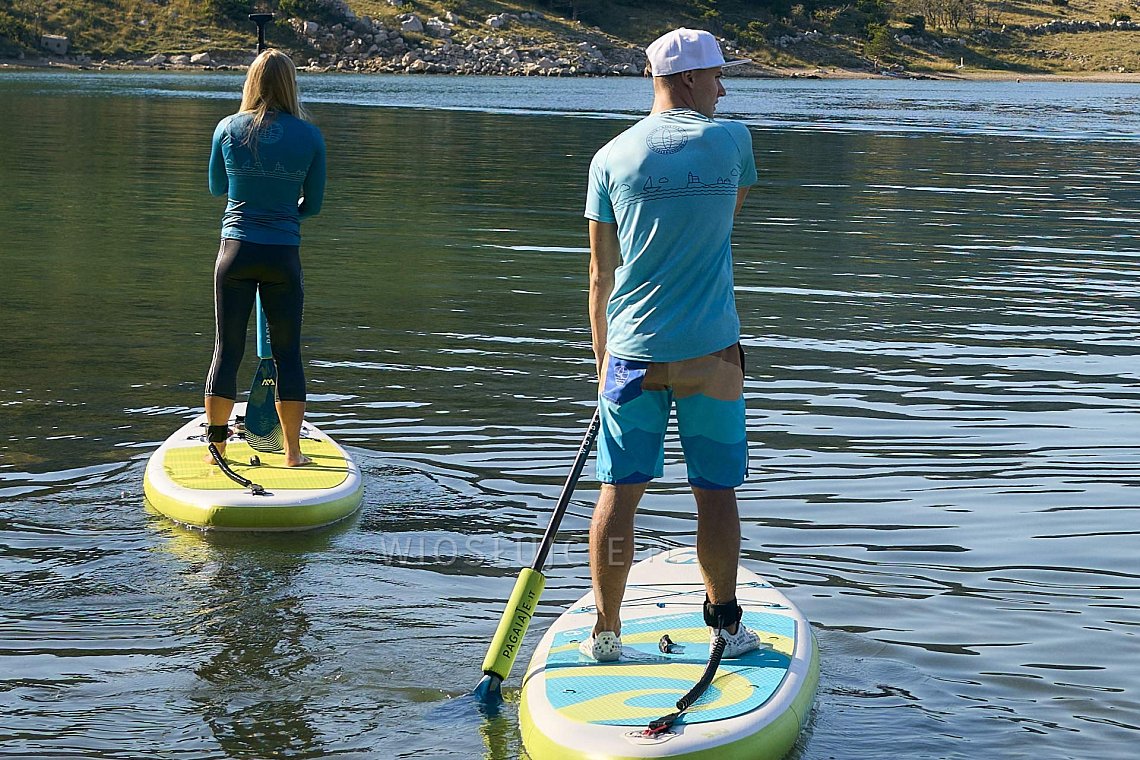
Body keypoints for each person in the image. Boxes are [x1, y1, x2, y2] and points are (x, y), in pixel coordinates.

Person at [580, 28, 761, 661]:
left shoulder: (610, 156)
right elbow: (725, 216)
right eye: (716, 75)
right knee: (715, 491)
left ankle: (606, 633)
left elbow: (601, 276)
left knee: (617, 492)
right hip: (712, 353)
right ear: (687, 79)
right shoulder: (734, 141)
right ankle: (726, 626)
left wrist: (604, 364)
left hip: (631, 351)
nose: (723, 87)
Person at [203, 49, 326, 467]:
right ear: (292, 85)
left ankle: (217, 450)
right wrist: (285, 206)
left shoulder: (227, 128)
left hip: (235, 252)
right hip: (282, 256)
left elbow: (217, 187)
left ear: (251, 83)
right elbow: (314, 206)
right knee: (288, 354)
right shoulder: (311, 136)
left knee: (227, 349)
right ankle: (292, 453)